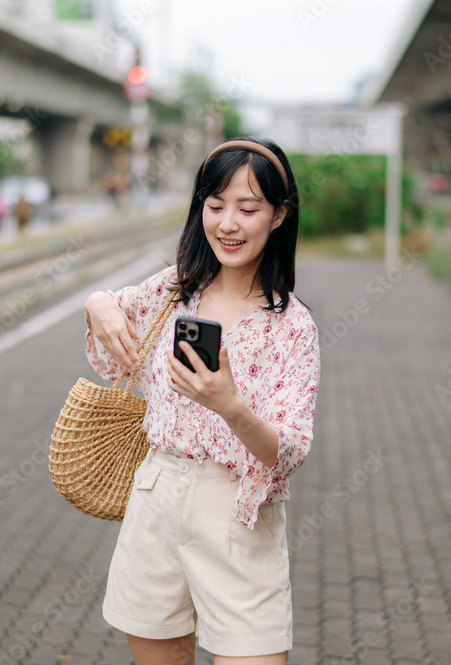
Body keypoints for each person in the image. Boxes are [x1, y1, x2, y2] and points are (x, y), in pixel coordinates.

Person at [83, 137, 320, 664]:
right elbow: (111, 325)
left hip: (237, 514)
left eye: (248, 208)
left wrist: (229, 405)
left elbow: (288, 452)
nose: (228, 223)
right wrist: (98, 302)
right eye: (215, 207)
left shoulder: (292, 328)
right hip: (157, 496)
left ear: (279, 216)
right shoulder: (173, 290)